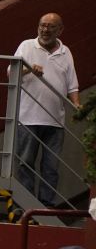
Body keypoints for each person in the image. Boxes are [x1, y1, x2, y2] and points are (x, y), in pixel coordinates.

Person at [13, 13, 79, 208]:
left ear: (60, 30)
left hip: (55, 121)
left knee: (51, 168)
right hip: (28, 118)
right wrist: (28, 69)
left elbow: (72, 86)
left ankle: (46, 205)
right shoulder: (26, 46)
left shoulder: (65, 52)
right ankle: (24, 204)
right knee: (25, 163)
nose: (45, 30)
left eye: (51, 26)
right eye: (42, 25)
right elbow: (11, 73)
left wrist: (77, 104)